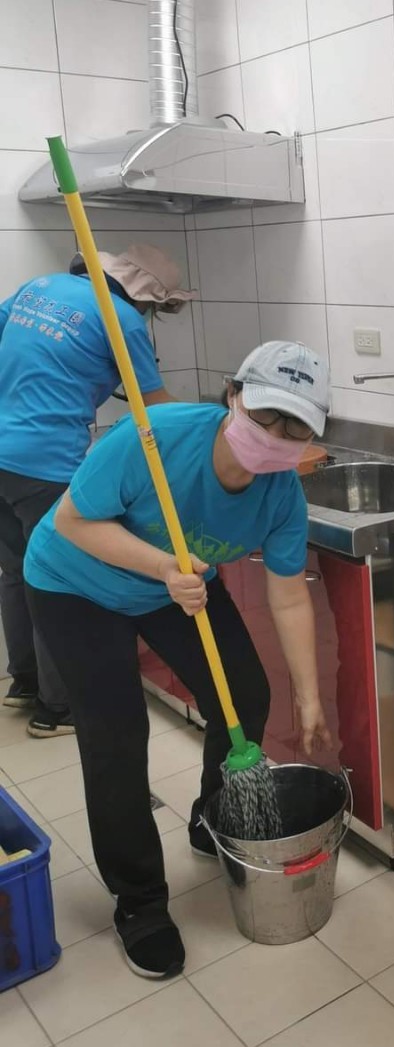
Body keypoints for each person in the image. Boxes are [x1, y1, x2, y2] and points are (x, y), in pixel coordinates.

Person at [23, 340, 333, 980]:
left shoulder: (282, 497)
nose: (275, 437)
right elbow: (75, 521)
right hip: (75, 583)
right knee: (116, 735)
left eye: (295, 427)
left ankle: (211, 818)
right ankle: (139, 901)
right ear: (233, 396)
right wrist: (165, 566)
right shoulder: (153, 438)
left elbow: (289, 599)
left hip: (177, 587)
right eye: (265, 415)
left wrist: (309, 698)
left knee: (244, 697)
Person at [0, 244, 187, 736]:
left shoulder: (39, 287)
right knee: (58, 580)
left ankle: (25, 682)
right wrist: (214, 427)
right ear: (144, 298)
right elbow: (156, 409)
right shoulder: (121, 318)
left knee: (17, 572)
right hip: (44, 463)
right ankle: (57, 708)